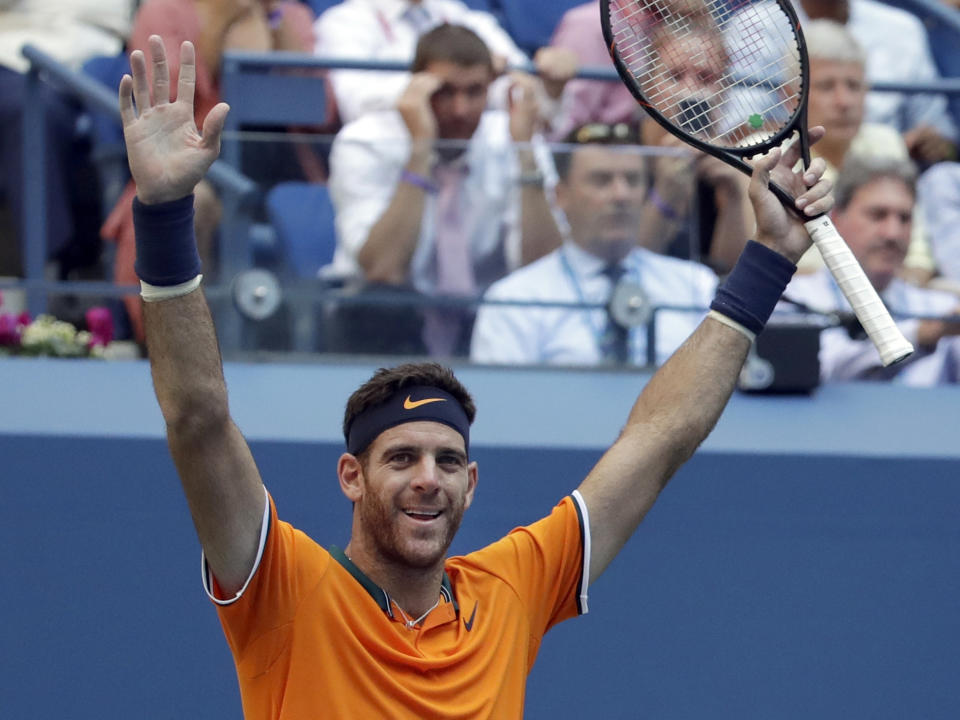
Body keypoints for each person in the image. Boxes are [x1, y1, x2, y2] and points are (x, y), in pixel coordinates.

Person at [118, 34, 833, 719]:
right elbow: (198, 420)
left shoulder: (511, 588)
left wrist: (768, 257)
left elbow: (657, 441)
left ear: (472, 482)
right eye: (401, 457)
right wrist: (162, 214)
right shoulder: (283, 587)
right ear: (350, 476)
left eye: (448, 460)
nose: (430, 477)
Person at [325, 23, 562, 357]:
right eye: (445, 92)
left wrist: (524, 152)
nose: (460, 109)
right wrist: (420, 150)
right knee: (383, 308)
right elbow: (383, 269)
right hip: (383, 324)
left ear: (490, 90)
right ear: (415, 88)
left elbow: (545, 269)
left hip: (486, 320)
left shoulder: (515, 137)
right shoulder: (364, 141)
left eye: (474, 92)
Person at [100, 0, 316, 344]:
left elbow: (320, 106)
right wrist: (220, 24)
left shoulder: (293, 14)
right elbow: (165, 106)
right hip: (199, 157)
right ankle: (191, 347)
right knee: (193, 203)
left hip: (286, 165)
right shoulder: (165, 10)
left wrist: (276, 20)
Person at [470, 123, 718, 368]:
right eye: (601, 180)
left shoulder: (696, 287)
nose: (621, 195)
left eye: (632, 180)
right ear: (560, 195)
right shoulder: (514, 300)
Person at [781, 156, 960, 385]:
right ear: (835, 220)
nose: (893, 233)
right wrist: (923, 334)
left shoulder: (940, 309)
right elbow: (819, 371)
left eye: (904, 218)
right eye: (878, 215)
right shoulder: (794, 298)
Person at [0, 0, 135, 280]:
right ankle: (48, 268)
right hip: (13, 59)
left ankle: (101, 266)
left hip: (100, 63)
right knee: (32, 110)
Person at [313, 0, 578, 128]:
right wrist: (449, 77)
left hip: (474, 163)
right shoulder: (344, 22)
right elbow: (354, 105)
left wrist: (551, 88)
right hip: (391, 160)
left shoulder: (466, 18)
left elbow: (524, 98)